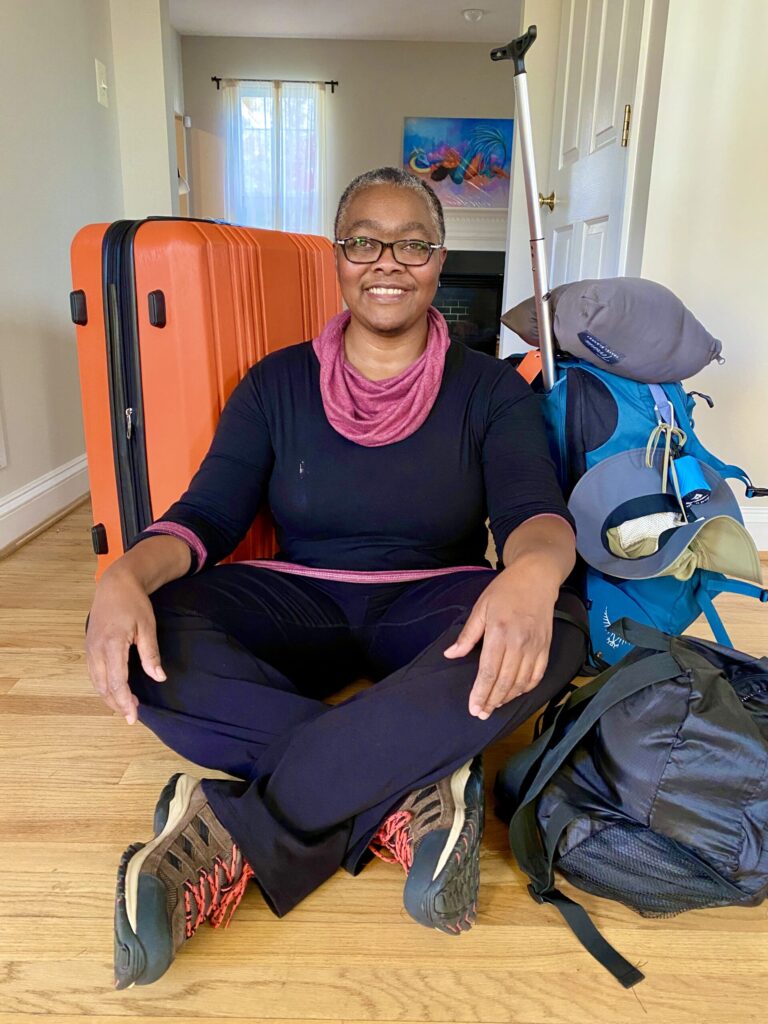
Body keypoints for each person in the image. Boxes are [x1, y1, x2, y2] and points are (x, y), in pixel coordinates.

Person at [86, 167, 586, 990]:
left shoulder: (491, 388)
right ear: (337, 254)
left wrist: (533, 573)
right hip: (299, 595)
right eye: (364, 241)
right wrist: (122, 577)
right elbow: (206, 518)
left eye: (413, 243)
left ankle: (228, 830)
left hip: (437, 601)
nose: (387, 262)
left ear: (439, 259)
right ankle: (407, 789)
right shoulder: (273, 383)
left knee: (557, 624)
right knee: (144, 637)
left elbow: (535, 511)